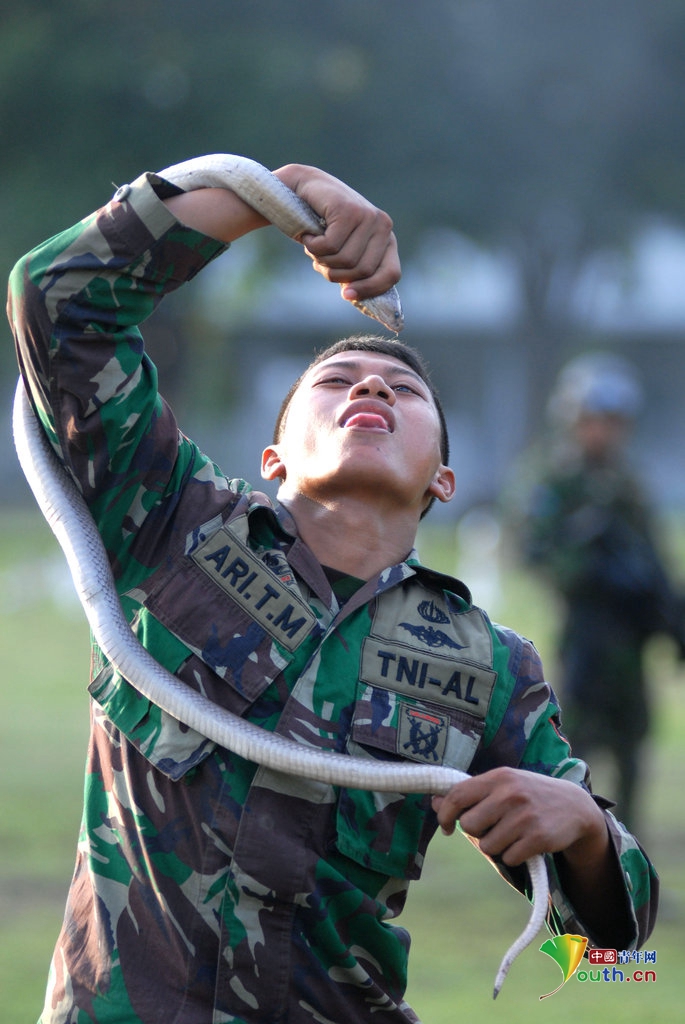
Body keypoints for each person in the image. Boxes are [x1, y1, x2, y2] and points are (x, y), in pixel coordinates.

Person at [8, 157, 657, 1024]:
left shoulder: (490, 668)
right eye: (335, 381)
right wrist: (265, 199)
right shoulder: (166, 521)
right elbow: (56, 301)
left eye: (405, 388)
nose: (372, 384)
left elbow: (612, 964)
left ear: (444, 479)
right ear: (273, 459)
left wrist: (580, 829)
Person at [510, 353, 685, 834]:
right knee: (576, 755)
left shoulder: (628, 483)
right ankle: (575, 862)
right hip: (585, 636)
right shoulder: (556, 481)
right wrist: (584, 560)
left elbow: (652, 558)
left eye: (614, 422)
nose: (603, 432)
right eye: (594, 420)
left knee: (632, 748)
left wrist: (667, 610)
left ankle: (630, 865)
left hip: (630, 640)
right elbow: (531, 549)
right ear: (573, 420)